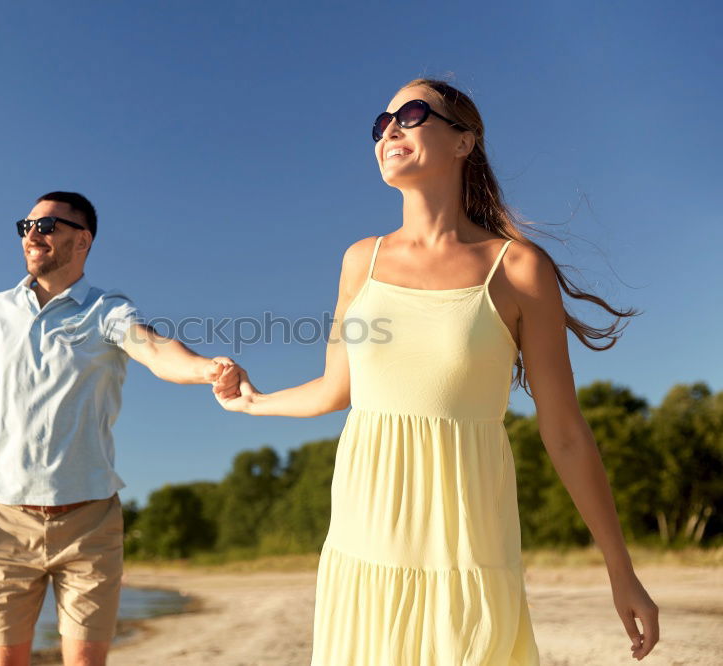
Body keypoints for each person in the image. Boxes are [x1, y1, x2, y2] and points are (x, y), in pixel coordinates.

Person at [213, 79, 660, 664]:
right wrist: (251, 400)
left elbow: (566, 431)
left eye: (413, 114)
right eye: (382, 122)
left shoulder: (519, 268)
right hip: (364, 544)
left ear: (463, 142)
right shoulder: (360, 261)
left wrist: (620, 570)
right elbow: (336, 389)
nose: (390, 129)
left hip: (467, 550)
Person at [0, 191, 240, 666]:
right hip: (5, 521)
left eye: (48, 225)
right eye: (26, 226)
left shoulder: (107, 310)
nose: (33, 233)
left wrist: (207, 369)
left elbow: (154, 349)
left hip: (89, 523)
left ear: (83, 239)